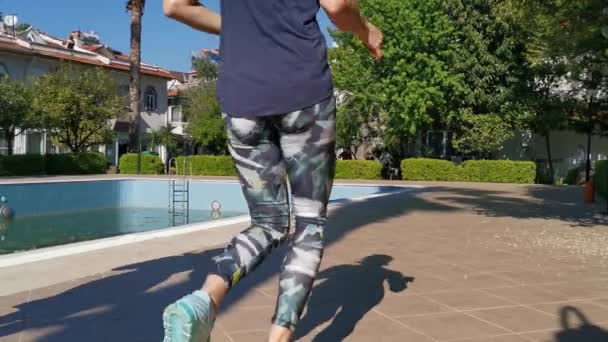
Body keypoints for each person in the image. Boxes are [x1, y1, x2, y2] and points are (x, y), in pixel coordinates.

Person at [162, 1, 382, 341]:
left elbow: (175, 6)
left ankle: (201, 301)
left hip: (241, 99)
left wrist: (241, 28)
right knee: (309, 223)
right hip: (302, 90)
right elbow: (338, 6)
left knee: (267, 222)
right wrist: (367, 30)